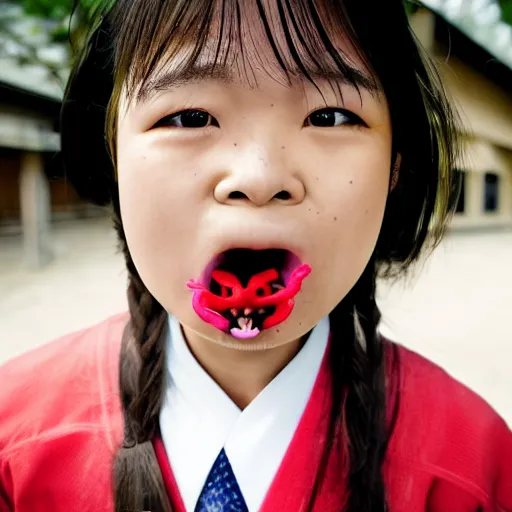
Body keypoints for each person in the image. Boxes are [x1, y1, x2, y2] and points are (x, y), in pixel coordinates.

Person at [0, 0, 510, 511]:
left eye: (330, 116)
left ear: (396, 167)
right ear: (112, 152)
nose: (259, 177)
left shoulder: (476, 465)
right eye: (189, 116)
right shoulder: (12, 440)